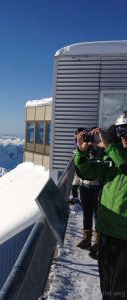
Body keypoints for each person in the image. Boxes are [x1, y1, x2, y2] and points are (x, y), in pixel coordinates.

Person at [74, 111, 127, 299]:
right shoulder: (114, 158)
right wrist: (81, 152)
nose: (124, 137)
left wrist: (111, 147)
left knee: (120, 289)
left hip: (124, 239)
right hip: (106, 234)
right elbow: (87, 172)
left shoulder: (117, 155)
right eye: (121, 132)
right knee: (106, 286)